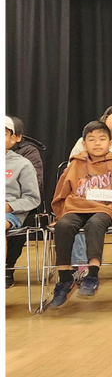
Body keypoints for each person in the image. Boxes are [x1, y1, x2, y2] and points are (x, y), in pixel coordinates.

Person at [49, 121, 112, 307]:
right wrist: (59, 216)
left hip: (107, 209)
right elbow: (61, 193)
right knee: (64, 225)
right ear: (84, 144)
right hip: (76, 207)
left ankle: (93, 275)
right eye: (92, 139)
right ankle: (65, 279)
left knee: (95, 223)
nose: (97, 143)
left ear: (110, 143)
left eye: (102, 139)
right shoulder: (75, 165)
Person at [5, 116, 45, 287]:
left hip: (9, 213)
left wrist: (9, 206)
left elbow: (32, 198)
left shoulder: (23, 164)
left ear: (14, 138)